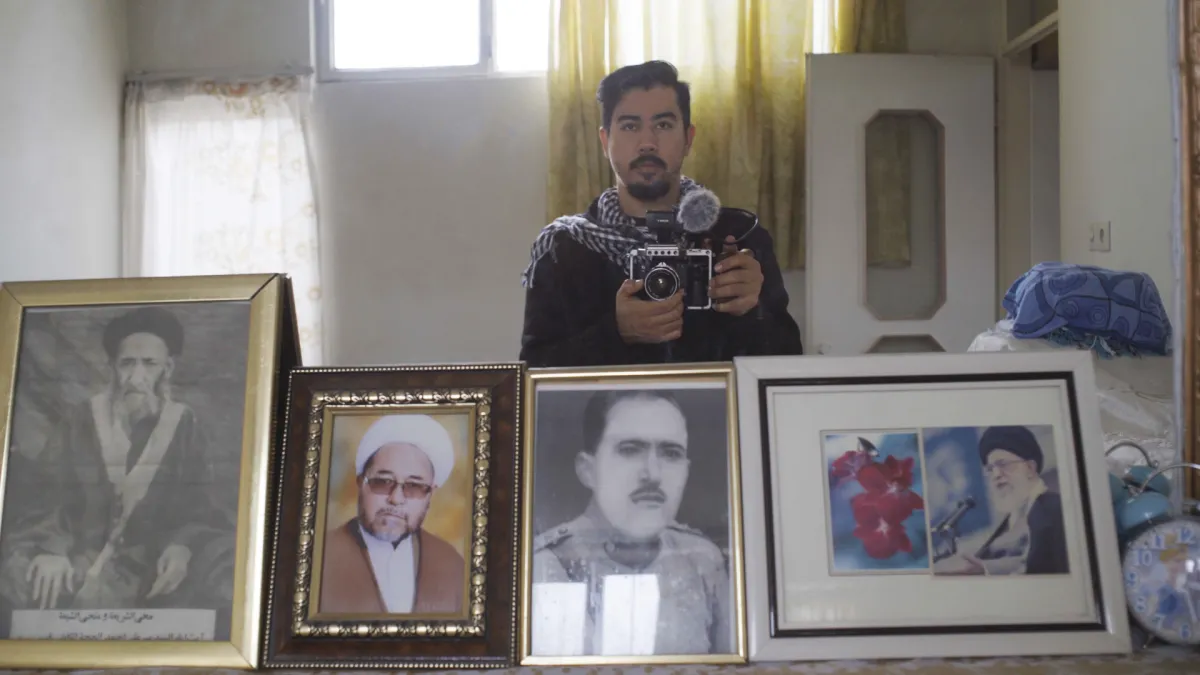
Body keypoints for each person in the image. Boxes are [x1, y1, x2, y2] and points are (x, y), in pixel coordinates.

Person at [519, 60, 804, 367]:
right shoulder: (566, 247)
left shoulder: (736, 237)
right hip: (609, 415)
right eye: (630, 126)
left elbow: (788, 367)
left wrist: (754, 310)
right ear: (605, 141)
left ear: (688, 139)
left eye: (663, 125)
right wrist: (616, 333)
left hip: (720, 414)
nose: (647, 143)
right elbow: (534, 374)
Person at [0, 306, 231, 632]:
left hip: (151, 557)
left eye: (149, 364)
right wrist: (51, 548)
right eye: (127, 363)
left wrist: (182, 546)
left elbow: (200, 507)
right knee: (17, 574)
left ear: (168, 369)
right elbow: (45, 492)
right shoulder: (82, 418)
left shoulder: (185, 425)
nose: (137, 377)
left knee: (221, 574)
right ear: (112, 367)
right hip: (78, 552)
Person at [532, 390, 730, 655]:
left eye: (670, 453)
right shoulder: (545, 563)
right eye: (630, 450)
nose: (653, 474)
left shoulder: (703, 562)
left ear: (686, 470)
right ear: (587, 470)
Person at [319, 414, 465, 615]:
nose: (396, 499)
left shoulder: (452, 564)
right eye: (383, 481)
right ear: (361, 483)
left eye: (414, 486)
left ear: (430, 495)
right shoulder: (319, 556)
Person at [939, 425, 1069, 576]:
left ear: (1030, 468)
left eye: (1003, 465)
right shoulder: (1008, 523)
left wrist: (986, 569)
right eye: (990, 469)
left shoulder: (1054, 510)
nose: (996, 474)